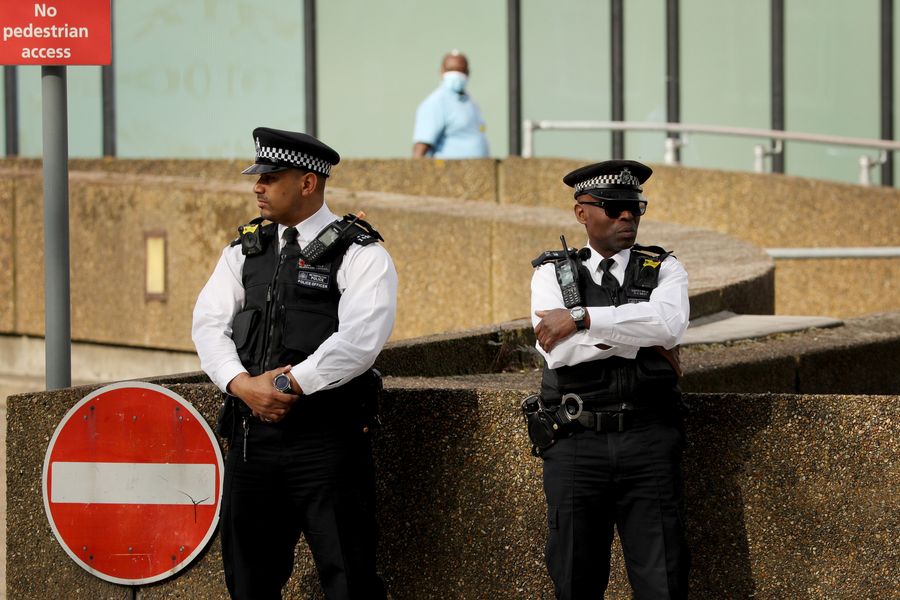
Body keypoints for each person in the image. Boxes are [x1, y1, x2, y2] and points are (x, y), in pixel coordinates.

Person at [192, 126, 397, 600]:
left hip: (327, 443)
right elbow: (208, 324)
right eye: (257, 176)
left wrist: (287, 383)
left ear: (308, 183)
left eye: (270, 176)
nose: (257, 186)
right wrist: (241, 385)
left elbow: (362, 339)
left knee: (349, 579)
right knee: (248, 583)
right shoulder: (245, 249)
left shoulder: (360, 253)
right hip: (251, 444)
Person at [527, 160, 691, 599]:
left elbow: (669, 325)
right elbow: (557, 352)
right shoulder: (550, 273)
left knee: (664, 581)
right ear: (582, 212)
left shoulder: (664, 268)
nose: (628, 218)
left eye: (636, 208)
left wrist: (581, 319)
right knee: (575, 578)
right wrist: (639, 336)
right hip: (576, 443)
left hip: (649, 439)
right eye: (616, 207)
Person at [412, 50, 489, 159]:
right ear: (441, 71)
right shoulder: (436, 102)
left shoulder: (470, 102)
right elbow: (420, 148)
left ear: (468, 72)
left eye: (460, 70)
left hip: (477, 171)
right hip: (448, 172)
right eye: (450, 70)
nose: (456, 74)